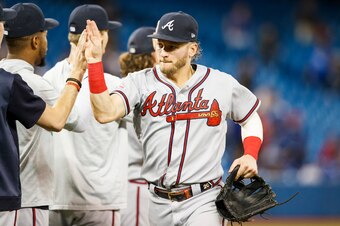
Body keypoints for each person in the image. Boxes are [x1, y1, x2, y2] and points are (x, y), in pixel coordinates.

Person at [85, 11, 263, 226]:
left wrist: (250, 154)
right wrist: (95, 62)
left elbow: (250, 118)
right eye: (160, 45)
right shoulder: (139, 83)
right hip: (156, 202)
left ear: (192, 49)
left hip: (203, 198)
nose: (163, 52)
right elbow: (104, 112)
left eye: (172, 46)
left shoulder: (220, 83)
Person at [0, 3, 87, 226]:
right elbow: (74, 120)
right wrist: (76, 73)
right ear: (36, 41)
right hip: (22, 202)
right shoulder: (27, 83)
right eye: (45, 35)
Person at [43, 4, 127, 226]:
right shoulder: (115, 86)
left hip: (54, 199)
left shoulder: (47, 80)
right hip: (100, 203)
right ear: (98, 36)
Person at [119, 26, 156, 226]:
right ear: (152, 56)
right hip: (137, 185)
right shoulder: (146, 93)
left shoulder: (120, 88)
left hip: (126, 186)